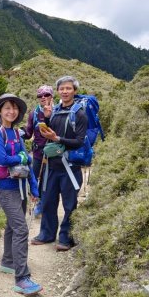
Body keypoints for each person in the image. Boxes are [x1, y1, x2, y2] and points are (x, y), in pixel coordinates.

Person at [0, 93, 43, 295]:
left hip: (20, 187)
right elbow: (2, 159)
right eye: (7, 108)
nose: (11, 111)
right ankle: (22, 278)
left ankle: (8, 261)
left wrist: (34, 188)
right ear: (0, 111)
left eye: (15, 108)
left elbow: (27, 163)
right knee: (21, 229)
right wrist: (21, 155)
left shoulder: (18, 134)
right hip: (5, 188)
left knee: (13, 226)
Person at [30, 76, 87, 251]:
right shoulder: (53, 111)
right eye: (62, 89)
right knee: (47, 201)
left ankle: (65, 238)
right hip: (51, 166)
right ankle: (47, 234)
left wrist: (57, 138)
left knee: (69, 204)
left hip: (70, 167)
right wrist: (47, 120)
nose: (65, 91)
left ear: (74, 91)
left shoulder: (80, 113)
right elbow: (50, 132)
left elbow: (79, 141)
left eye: (68, 88)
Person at [21, 85, 55, 217]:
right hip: (38, 153)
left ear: (52, 96)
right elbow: (29, 133)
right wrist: (18, 132)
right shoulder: (34, 114)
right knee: (34, 179)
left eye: (46, 95)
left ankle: (42, 206)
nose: (43, 98)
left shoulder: (57, 111)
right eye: (40, 96)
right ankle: (37, 201)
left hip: (53, 153)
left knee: (47, 180)